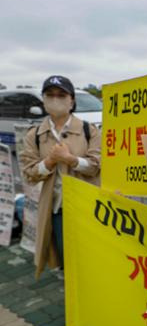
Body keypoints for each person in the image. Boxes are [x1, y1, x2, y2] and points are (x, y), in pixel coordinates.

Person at [19, 75, 101, 277]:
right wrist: (49, 162)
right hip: (56, 208)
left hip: (88, 205)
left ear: (71, 100)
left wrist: (70, 159)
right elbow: (29, 173)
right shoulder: (35, 135)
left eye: (61, 95)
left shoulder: (88, 130)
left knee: (93, 253)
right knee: (65, 255)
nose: (56, 99)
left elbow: (96, 166)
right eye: (50, 95)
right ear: (44, 100)